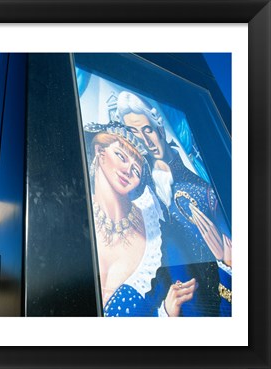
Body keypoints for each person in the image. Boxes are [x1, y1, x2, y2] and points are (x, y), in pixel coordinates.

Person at [116, 91, 232, 317]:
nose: (145, 140)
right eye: (135, 133)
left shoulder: (201, 188)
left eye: (147, 129)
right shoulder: (137, 182)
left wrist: (227, 262)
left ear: (159, 126)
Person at [88, 124, 196, 317]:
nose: (128, 171)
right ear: (99, 151)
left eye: (136, 171)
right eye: (121, 156)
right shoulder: (72, 205)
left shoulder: (156, 233)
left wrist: (166, 313)